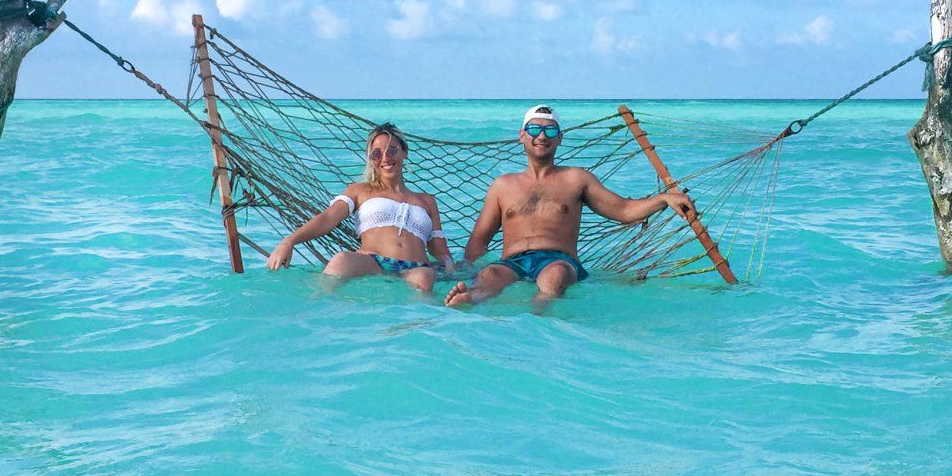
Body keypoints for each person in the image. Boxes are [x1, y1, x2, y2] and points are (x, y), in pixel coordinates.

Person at [445, 104, 692, 310]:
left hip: (559, 260)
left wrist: (663, 199)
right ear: (522, 136)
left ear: (560, 138)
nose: (542, 136)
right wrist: (467, 268)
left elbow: (624, 210)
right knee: (490, 275)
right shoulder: (503, 185)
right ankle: (471, 298)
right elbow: (479, 240)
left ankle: (537, 316)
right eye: (534, 129)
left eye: (550, 131)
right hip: (513, 262)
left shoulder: (576, 179)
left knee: (556, 276)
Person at [265, 123, 455, 293]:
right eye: (377, 153)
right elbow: (328, 218)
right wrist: (289, 241)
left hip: (415, 267)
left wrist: (448, 263)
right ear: (371, 159)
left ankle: (416, 326)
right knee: (340, 261)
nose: (385, 158)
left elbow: (439, 249)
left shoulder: (427, 201)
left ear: (404, 152)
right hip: (372, 261)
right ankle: (316, 314)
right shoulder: (360, 191)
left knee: (425, 278)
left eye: (392, 150)